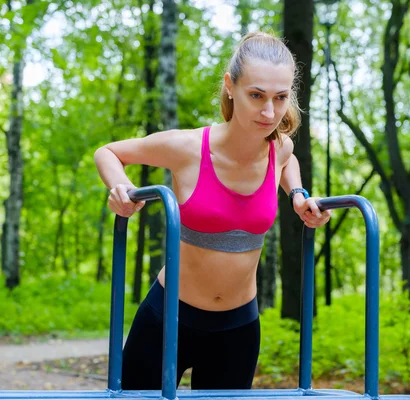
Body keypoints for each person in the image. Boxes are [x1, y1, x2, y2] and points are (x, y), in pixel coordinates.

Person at [94, 31, 331, 390]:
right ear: (230, 86)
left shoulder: (278, 148)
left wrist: (297, 194)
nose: (269, 112)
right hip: (167, 319)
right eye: (256, 95)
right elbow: (108, 152)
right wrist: (121, 189)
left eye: (280, 98)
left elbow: (288, 159)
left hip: (237, 330)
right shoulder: (187, 148)